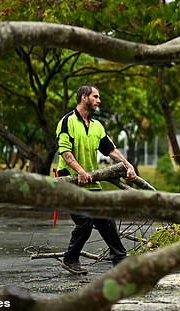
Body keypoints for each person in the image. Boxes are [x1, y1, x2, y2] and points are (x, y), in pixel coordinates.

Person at [55, 84, 137, 275]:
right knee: (85, 219)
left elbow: (110, 150)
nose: (99, 101)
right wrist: (80, 172)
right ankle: (70, 259)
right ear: (84, 97)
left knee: (105, 219)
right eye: (95, 96)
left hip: (91, 182)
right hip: (69, 182)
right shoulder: (67, 122)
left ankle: (120, 259)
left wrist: (128, 165)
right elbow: (65, 152)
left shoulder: (97, 126)